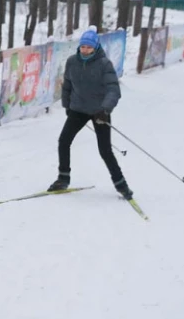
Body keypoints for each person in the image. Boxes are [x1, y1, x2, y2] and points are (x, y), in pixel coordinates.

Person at [47, 30, 133, 200]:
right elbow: (67, 85)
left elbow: (113, 90)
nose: (85, 50)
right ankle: (62, 179)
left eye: (89, 47)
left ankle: (121, 185)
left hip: (99, 112)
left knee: (105, 150)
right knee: (63, 141)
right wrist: (67, 105)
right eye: (83, 46)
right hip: (78, 109)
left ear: (95, 47)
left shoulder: (104, 64)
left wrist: (105, 109)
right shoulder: (72, 62)